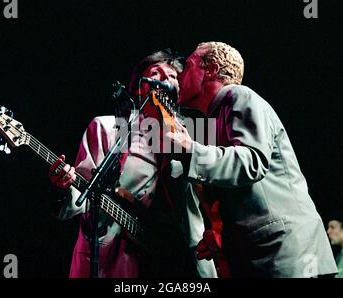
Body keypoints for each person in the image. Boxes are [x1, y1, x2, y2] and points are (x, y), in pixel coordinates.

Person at [166, 41, 338, 277]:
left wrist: (190, 150)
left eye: (187, 66)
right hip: (272, 252)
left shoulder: (237, 95)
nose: (179, 74)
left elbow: (251, 162)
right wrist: (220, 233)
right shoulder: (219, 116)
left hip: (284, 252)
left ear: (212, 69)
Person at [48, 49, 217, 278]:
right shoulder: (107, 128)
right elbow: (80, 196)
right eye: (155, 73)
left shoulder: (189, 142)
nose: (164, 80)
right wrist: (64, 185)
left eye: (173, 77)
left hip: (172, 264)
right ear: (139, 85)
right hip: (110, 260)